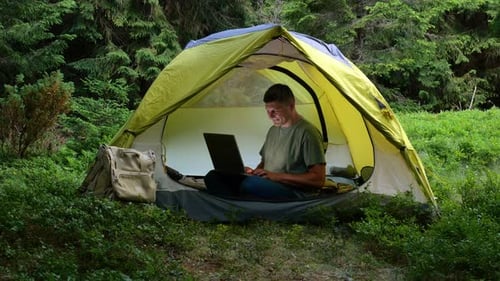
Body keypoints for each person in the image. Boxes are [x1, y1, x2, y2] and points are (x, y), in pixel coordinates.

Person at [204, 84, 326, 200]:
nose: (270, 116)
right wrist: (251, 172)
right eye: (267, 111)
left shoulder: (308, 133)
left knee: (250, 185)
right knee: (213, 176)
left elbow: (318, 180)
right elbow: (264, 164)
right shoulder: (273, 130)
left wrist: (277, 177)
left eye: (275, 110)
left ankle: (235, 204)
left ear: (291, 106)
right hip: (267, 183)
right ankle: (236, 204)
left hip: (293, 192)